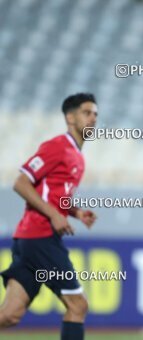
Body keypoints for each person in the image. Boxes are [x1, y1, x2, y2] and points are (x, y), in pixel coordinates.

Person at [0, 93, 99, 340]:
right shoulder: (58, 146)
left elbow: (53, 195)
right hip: (41, 238)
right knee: (78, 306)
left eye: (96, 114)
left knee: (10, 314)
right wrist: (55, 215)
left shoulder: (77, 155)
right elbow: (21, 183)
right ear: (70, 117)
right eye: (87, 113)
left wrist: (75, 212)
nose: (93, 119)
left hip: (30, 240)